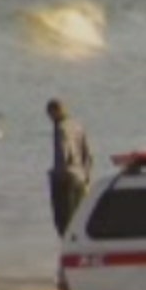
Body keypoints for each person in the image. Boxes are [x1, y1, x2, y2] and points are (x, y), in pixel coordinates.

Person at [46, 98, 93, 237]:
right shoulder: (78, 125)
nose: (50, 119)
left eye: (50, 115)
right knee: (79, 220)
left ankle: (68, 251)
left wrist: (56, 172)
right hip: (80, 178)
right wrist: (86, 178)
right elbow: (89, 155)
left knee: (63, 222)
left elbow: (63, 152)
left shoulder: (60, 127)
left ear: (54, 111)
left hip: (65, 180)